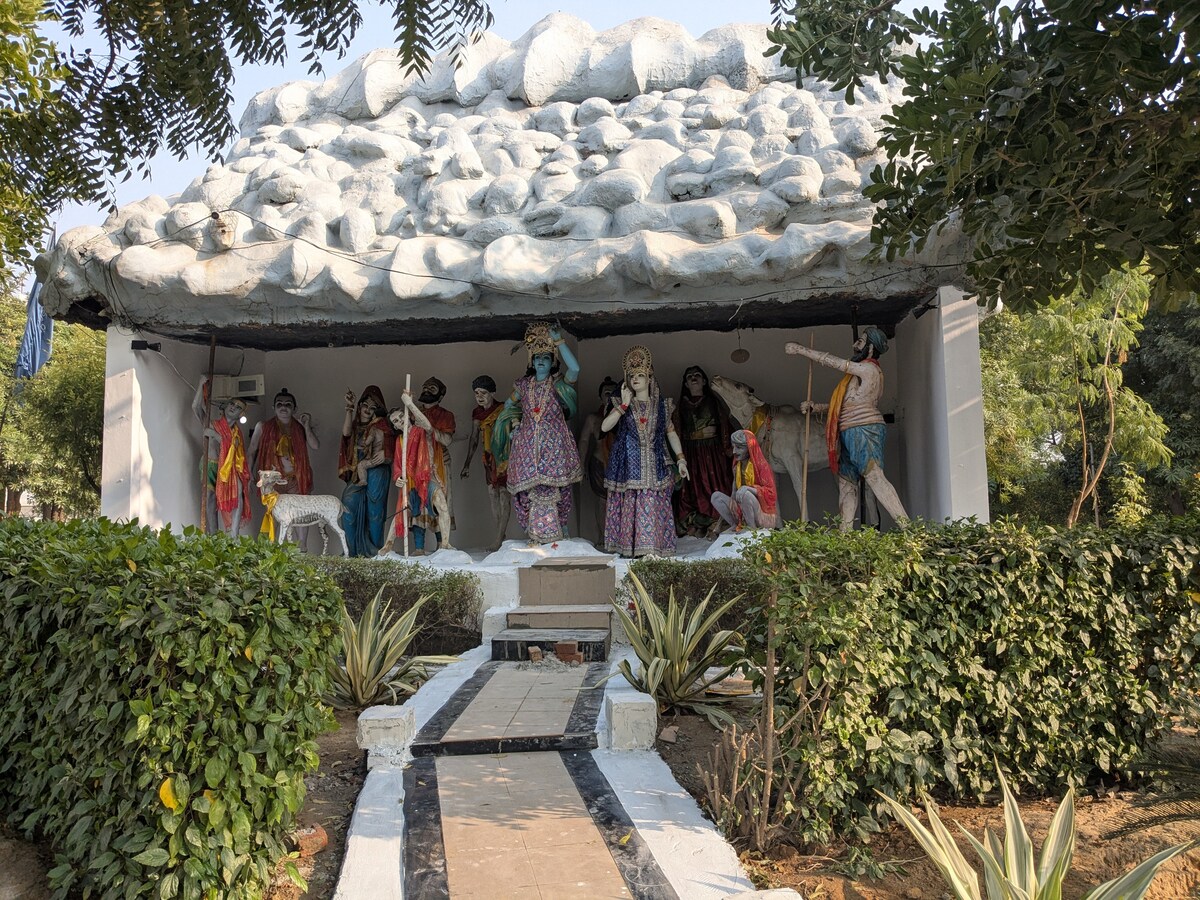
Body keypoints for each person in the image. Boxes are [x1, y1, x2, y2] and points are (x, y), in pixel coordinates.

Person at [785, 326, 908, 531]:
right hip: (848, 430)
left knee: (875, 477)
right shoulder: (856, 375)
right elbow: (846, 404)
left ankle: (909, 530)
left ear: (870, 348)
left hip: (864, 428)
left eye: (861, 341)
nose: (855, 344)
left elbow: (836, 363)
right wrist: (817, 407)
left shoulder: (869, 370)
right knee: (846, 484)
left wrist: (801, 350)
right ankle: (845, 535)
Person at [493, 322, 583, 544]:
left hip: (554, 444)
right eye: (537, 357)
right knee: (527, 491)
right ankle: (533, 533)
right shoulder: (523, 386)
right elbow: (508, 406)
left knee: (559, 488)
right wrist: (515, 424)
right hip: (526, 443)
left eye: (545, 357)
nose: (541, 360)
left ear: (553, 361)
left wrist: (559, 341)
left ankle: (561, 528)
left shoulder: (558, 384)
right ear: (531, 362)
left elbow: (575, 369)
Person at [602, 346, 688, 557]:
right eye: (632, 376)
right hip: (629, 466)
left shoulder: (662, 407)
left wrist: (681, 459)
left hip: (655, 465)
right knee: (632, 501)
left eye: (640, 375)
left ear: (650, 378)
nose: (635, 379)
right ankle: (632, 548)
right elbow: (604, 427)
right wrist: (623, 405)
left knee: (652, 501)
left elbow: (671, 433)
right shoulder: (622, 404)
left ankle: (653, 547)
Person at [386, 377, 456, 555]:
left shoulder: (420, 429)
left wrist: (409, 404)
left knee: (441, 506)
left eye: (401, 417)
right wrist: (398, 478)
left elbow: (428, 426)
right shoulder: (400, 440)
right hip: (411, 481)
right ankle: (388, 545)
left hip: (428, 476)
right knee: (405, 511)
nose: (400, 421)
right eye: (395, 421)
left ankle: (445, 545)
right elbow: (397, 465)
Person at [673, 365, 733, 538]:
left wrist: (727, 449)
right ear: (685, 383)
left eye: (697, 375)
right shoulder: (681, 406)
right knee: (694, 487)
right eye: (689, 376)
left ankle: (718, 520)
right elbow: (675, 430)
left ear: (704, 381)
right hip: (691, 452)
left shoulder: (713, 402)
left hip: (712, 452)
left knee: (714, 484)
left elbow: (724, 425)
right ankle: (697, 522)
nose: (694, 378)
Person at [192, 376, 251, 536]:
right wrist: (200, 384)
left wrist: (217, 437)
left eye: (238, 407)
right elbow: (196, 407)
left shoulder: (237, 433)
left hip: (229, 468)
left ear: (240, 414)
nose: (233, 407)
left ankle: (234, 534)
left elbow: (234, 449)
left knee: (238, 493)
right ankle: (213, 535)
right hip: (211, 464)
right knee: (210, 499)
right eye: (231, 404)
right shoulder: (212, 424)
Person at [338, 385, 392, 556]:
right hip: (358, 472)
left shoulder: (383, 426)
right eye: (365, 406)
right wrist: (349, 408)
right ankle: (351, 551)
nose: (368, 410)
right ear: (360, 406)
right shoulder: (355, 426)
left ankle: (375, 551)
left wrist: (386, 453)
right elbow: (346, 434)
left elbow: (397, 445)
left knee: (375, 510)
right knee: (347, 505)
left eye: (373, 408)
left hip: (377, 470)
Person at [460, 375, 510, 550]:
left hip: (504, 457)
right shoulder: (477, 413)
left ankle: (499, 538)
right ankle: (500, 535)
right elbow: (474, 438)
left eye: (484, 392)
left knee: (504, 494)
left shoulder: (504, 409)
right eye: (476, 393)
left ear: (492, 393)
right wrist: (467, 464)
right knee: (492, 494)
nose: (479, 396)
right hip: (488, 458)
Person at [248, 387, 319, 498]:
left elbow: (315, 446)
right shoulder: (262, 426)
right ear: (274, 408)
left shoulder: (300, 427)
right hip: (272, 479)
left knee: (297, 509)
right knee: (275, 509)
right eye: (279, 404)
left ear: (295, 409)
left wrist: (306, 426)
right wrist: (249, 473)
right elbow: (251, 451)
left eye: (288, 404)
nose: (283, 407)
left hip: (296, 479)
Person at [576, 376, 620, 539]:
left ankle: (620, 537)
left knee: (621, 501)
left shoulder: (625, 417)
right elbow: (584, 441)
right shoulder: (593, 419)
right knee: (602, 501)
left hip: (619, 466)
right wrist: (580, 465)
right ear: (600, 397)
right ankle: (603, 537)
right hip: (599, 463)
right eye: (606, 393)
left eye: (613, 393)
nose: (610, 396)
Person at [711, 430, 779, 531]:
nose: (734, 451)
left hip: (763, 515)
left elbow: (771, 494)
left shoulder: (762, 466)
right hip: (742, 511)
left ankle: (751, 528)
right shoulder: (737, 466)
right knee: (716, 497)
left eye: (739, 447)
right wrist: (733, 509)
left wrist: (748, 489)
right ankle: (735, 525)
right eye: (733, 447)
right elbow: (734, 493)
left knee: (745, 494)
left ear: (749, 448)